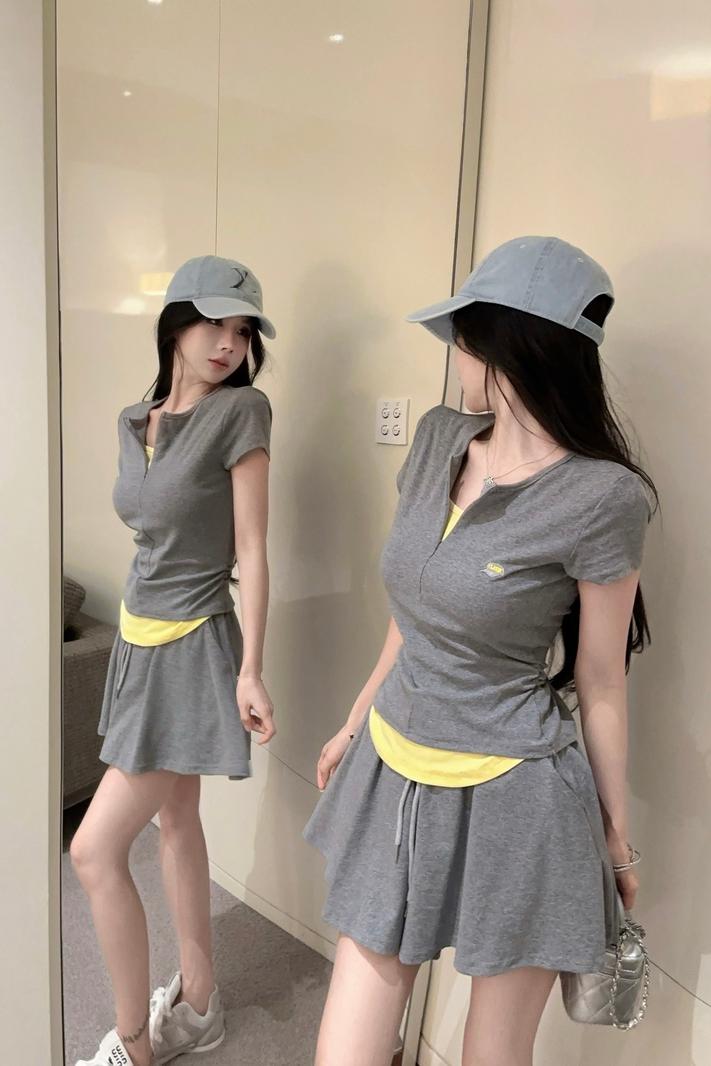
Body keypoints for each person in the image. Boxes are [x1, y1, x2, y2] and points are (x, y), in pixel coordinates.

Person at [303, 236, 658, 1066]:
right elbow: (412, 613)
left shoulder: (602, 496)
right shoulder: (437, 438)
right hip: (393, 767)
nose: (454, 354)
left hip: (517, 795)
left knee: (491, 1056)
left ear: (504, 343)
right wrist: (355, 721)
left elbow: (601, 680)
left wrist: (615, 837)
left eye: (461, 336)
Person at [71, 256, 277, 1066]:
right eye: (215, 323)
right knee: (176, 819)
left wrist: (250, 668)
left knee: (91, 851)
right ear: (176, 322)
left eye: (242, 331)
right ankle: (198, 1003)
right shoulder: (136, 419)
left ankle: (134, 1045)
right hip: (137, 638)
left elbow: (253, 549)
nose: (228, 343)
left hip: (193, 648)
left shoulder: (242, 412)